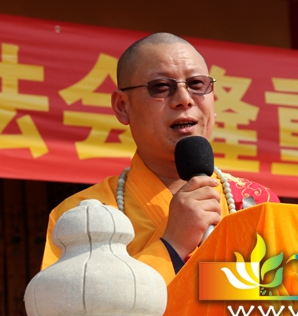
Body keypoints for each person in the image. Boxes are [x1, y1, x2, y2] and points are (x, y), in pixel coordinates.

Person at [41, 32, 279, 284]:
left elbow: (288, 309)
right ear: (122, 106)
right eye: (162, 87)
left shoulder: (258, 202)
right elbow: (66, 314)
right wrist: (172, 244)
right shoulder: (83, 214)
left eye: (197, 85)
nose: (184, 99)